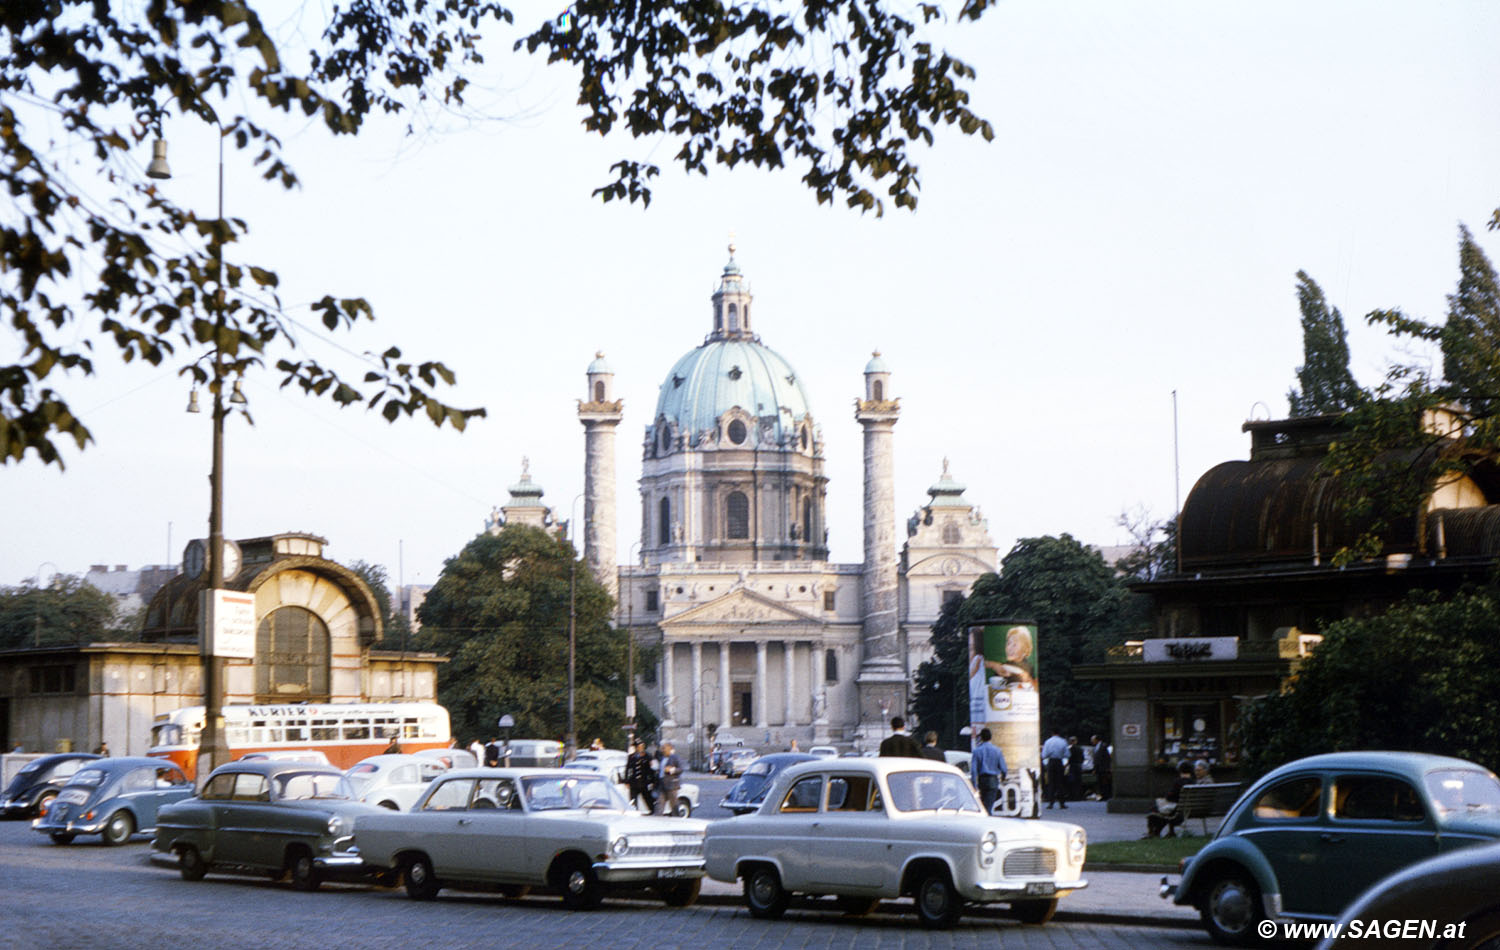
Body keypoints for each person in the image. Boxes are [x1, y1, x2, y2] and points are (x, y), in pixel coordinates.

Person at [1146, 761, 1196, 837]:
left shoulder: (1178, 782)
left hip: (1177, 811)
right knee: (1162, 810)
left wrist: (1165, 798)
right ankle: (1163, 832)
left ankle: (1152, 832)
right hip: (1187, 810)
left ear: (1180, 770)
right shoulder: (1193, 783)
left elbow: (1170, 796)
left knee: (1153, 809)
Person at [971, 728, 1008, 814]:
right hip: (993, 780)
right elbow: (1003, 768)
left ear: (981, 738)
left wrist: (974, 784)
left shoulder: (976, 751)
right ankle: (988, 817)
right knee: (989, 804)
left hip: (982, 780)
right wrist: (1003, 777)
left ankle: (986, 817)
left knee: (983, 803)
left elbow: (973, 770)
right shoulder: (997, 750)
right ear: (990, 737)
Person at [625, 738, 657, 814]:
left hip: (644, 783)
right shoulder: (631, 757)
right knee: (633, 802)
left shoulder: (648, 756)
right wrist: (626, 781)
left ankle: (653, 814)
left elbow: (652, 770)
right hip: (634, 783)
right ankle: (633, 814)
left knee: (649, 801)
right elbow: (628, 769)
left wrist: (652, 781)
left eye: (642, 746)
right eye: (639, 746)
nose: (640, 748)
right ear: (636, 747)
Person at [1041, 729, 1069, 809]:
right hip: (1059, 762)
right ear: (1059, 734)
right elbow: (1067, 754)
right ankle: (1062, 803)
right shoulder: (1063, 741)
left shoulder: (1048, 742)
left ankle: (1051, 803)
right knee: (1060, 783)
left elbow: (1044, 755)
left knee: (1051, 783)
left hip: (1051, 762)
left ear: (1052, 733)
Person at [657, 742, 684, 815]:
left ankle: (677, 820)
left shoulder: (675, 757)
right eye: (662, 748)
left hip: (671, 785)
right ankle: (657, 821)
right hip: (662, 785)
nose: (662, 750)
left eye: (664, 748)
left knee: (674, 805)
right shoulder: (662, 758)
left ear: (670, 748)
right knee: (659, 805)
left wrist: (671, 770)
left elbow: (681, 769)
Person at [1091, 735, 1113, 802]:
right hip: (1098, 768)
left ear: (1097, 740)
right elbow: (1096, 759)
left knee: (1104, 782)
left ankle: (1106, 795)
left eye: (1093, 740)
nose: (1092, 742)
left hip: (1103, 768)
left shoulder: (1103, 746)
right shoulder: (1096, 747)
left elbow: (1107, 758)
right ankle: (1102, 795)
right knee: (1100, 782)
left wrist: (1107, 768)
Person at [1066, 736, 1085, 803]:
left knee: (1072, 781)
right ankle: (1079, 796)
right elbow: (1083, 758)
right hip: (1079, 766)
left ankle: (1072, 796)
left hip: (1072, 766)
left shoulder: (1070, 749)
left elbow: (1068, 758)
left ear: (1070, 742)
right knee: (1078, 782)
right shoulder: (1080, 749)